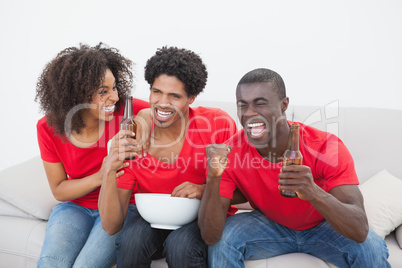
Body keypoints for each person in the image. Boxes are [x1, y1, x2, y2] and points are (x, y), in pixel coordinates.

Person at [199, 68, 391, 267]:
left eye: (260, 103)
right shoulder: (229, 153)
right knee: (223, 242)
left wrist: (313, 192)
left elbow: (359, 230)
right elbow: (210, 236)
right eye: (242, 105)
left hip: (325, 225)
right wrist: (213, 178)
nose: (249, 113)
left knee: (372, 249)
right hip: (269, 225)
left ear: (284, 105)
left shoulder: (326, 147)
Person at [99, 46, 237, 268]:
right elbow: (111, 226)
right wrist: (108, 169)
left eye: (174, 96)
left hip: (200, 216)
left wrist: (204, 189)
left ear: (191, 98)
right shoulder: (134, 139)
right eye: (157, 92)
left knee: (181, 246)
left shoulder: (217, 125)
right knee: (130, 243)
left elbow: (241, 190)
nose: (163, 103)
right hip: (152, 219)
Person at [35, 42, 149, 267]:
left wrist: (144, 122)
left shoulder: (124, 112)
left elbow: (154, 110)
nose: (115, 97)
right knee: (51, 264)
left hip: (124, 206)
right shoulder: (48, 127)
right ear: (76, 95)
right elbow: (59, 190)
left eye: (114, 87)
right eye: (103, 92)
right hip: (75, 207)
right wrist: (103, 173)